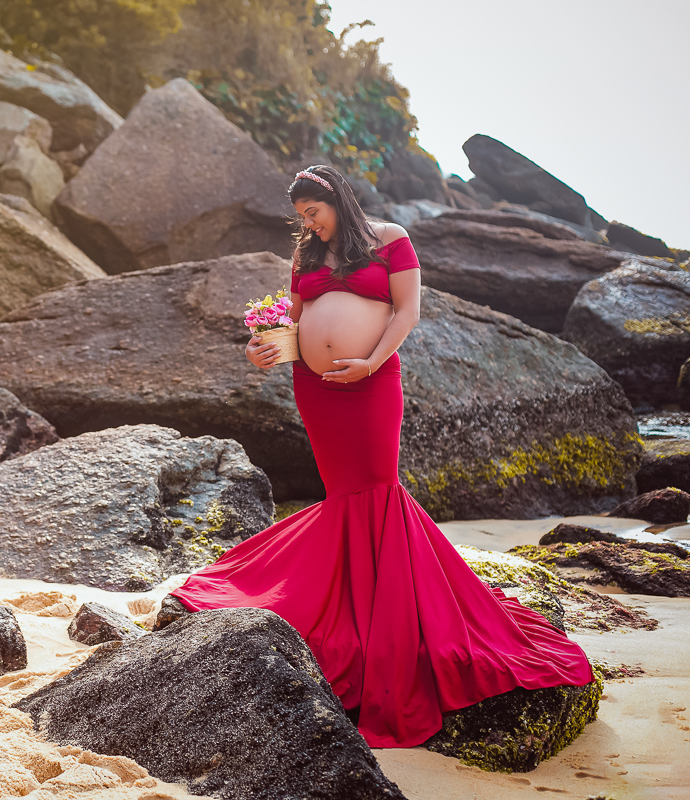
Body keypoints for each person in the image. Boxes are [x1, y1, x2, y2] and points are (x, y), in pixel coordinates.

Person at [169, 164, 594, 749]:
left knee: (377, 486)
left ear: (338, 201)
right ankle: (345, 601)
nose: (309, 225)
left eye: (314, 213)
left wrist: (368, 362)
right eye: (301, 218)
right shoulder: (306, 259)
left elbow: (406, 312)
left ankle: (382, 615)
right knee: (344, 494)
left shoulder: (391, 239)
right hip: (316, 389)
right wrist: (265, 349)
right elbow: (293, 323)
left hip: (372, 382)